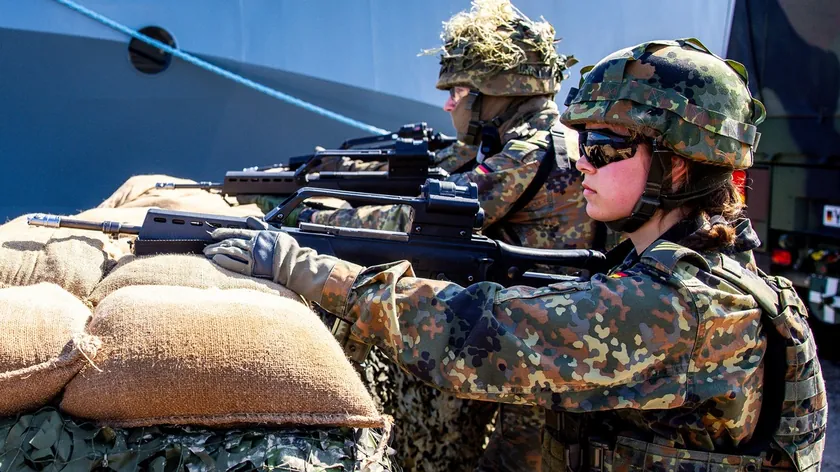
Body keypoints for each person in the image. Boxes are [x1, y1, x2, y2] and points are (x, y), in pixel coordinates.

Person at [203, 37, 826, 472]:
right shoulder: (687, 267)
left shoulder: (686, 307)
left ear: (679, 165)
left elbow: (472, 339)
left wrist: (300, 266)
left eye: (607, 146)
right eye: (586, 141)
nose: (582, 160)